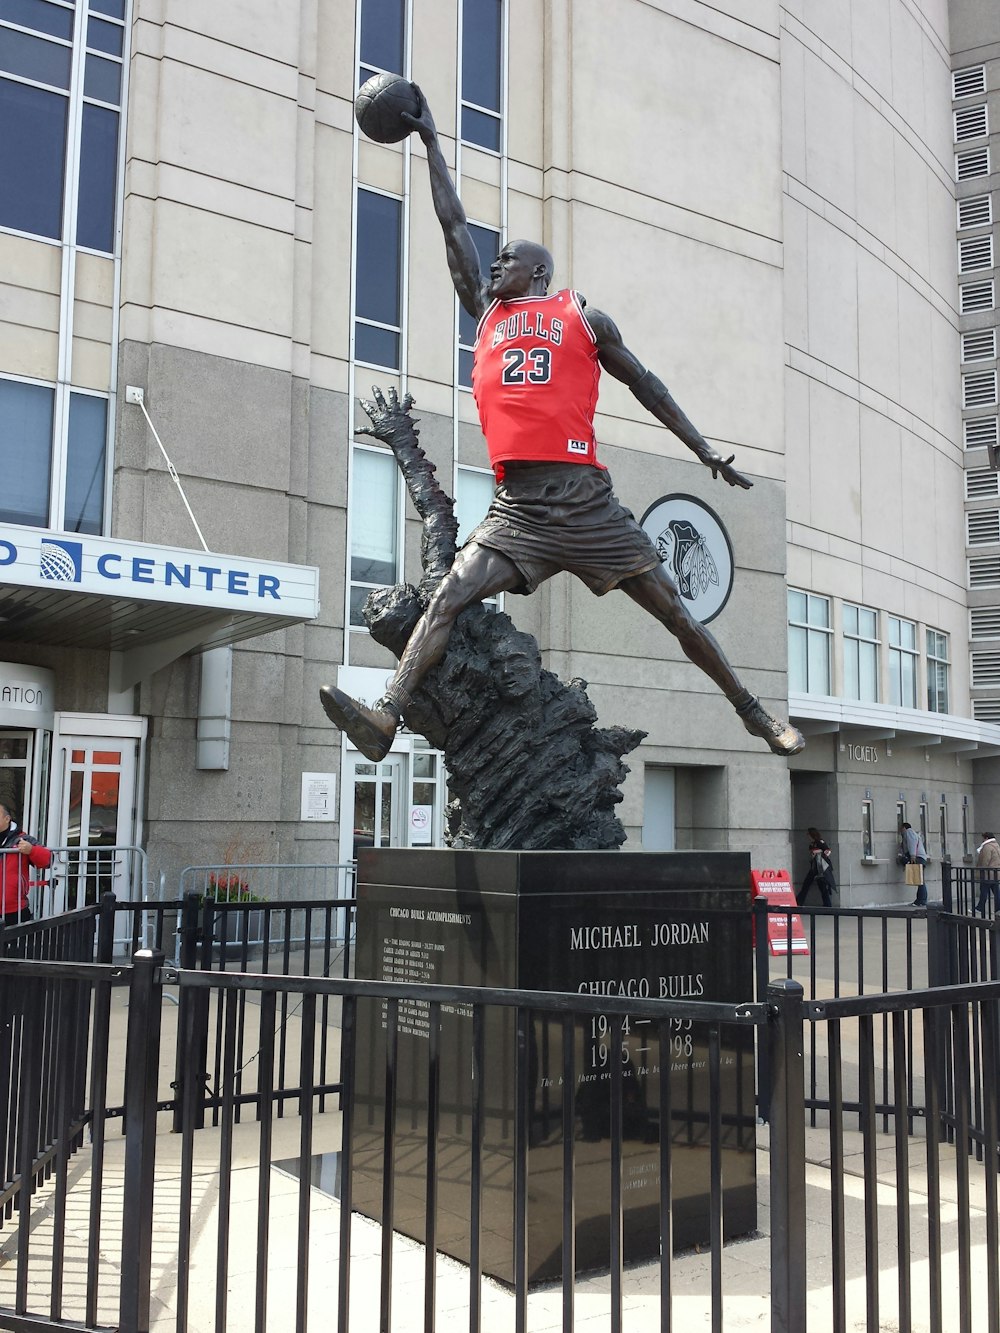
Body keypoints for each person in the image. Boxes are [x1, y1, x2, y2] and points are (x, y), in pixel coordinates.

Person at [321, 87, 805, 765]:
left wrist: (702, 449)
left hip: (585, 500)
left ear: (538, 271)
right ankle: (385, 716)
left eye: (508, 260)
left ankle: (755, 715)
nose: (494, 266)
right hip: (518, 506)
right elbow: (453, 226)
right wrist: (432, 145)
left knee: (674, 613)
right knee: (448, 596)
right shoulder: (487, 315)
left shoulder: (582, 316)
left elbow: (646, 383)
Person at [0, 799, 52, 925]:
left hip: (15, 909)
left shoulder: (23, 839)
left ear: (7, 819)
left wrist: (32, 850)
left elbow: (48, 860)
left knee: (17, 944)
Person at [796, 828, 835, 908]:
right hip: (814, 867)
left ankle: (827, 905)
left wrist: (820, 854)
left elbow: (828, 851)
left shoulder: (820, 842)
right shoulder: (811, 844)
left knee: (822, 887)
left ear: (812, 834)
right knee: (806, 884)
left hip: (821, 868)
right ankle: (799, 902)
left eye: (808, 835)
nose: (807, 837)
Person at [901, 822, 928, 907]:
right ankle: (920, 900)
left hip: (918, 858)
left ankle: (921, 900)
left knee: (920, 881)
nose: (900, 831)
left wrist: (912, 856)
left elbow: (912, 843)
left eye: (901, 829)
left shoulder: (909, 832)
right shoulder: (912, 833)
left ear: (904, 828)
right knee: (920, 880)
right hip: (920, 857)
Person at [975, 831, 1000, 916]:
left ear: (986, 838)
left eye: (983, 838)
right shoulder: (996, 845)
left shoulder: (987, 847)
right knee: (996, 893)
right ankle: (998, 909)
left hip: (988, 873)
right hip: (995, 873)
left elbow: (985, 860)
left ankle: (979, 908)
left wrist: (981, 870)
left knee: (984, 891)